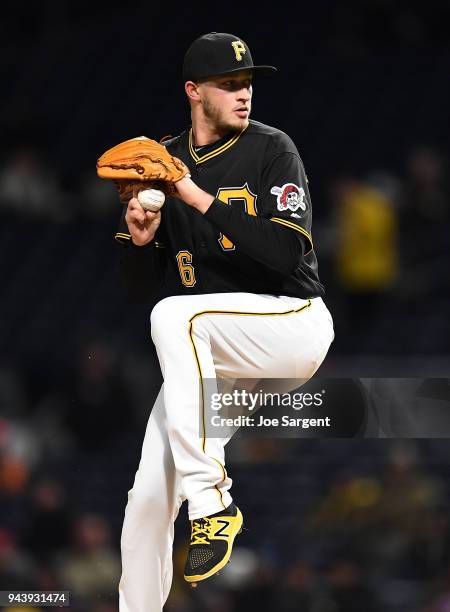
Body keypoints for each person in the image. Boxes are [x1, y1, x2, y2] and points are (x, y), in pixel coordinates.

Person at [115, 32, 334, 612]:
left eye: (248, 84)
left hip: (291, 326)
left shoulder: (272, 149)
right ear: (194, 91)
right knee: (147, 498)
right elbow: (139, 289)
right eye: (229, 84)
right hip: (215, 356)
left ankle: (213, 504)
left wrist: (192, 195)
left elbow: (289, 255)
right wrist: (139, 241)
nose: (244, 94)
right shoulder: (159, 162)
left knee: (177, 315)